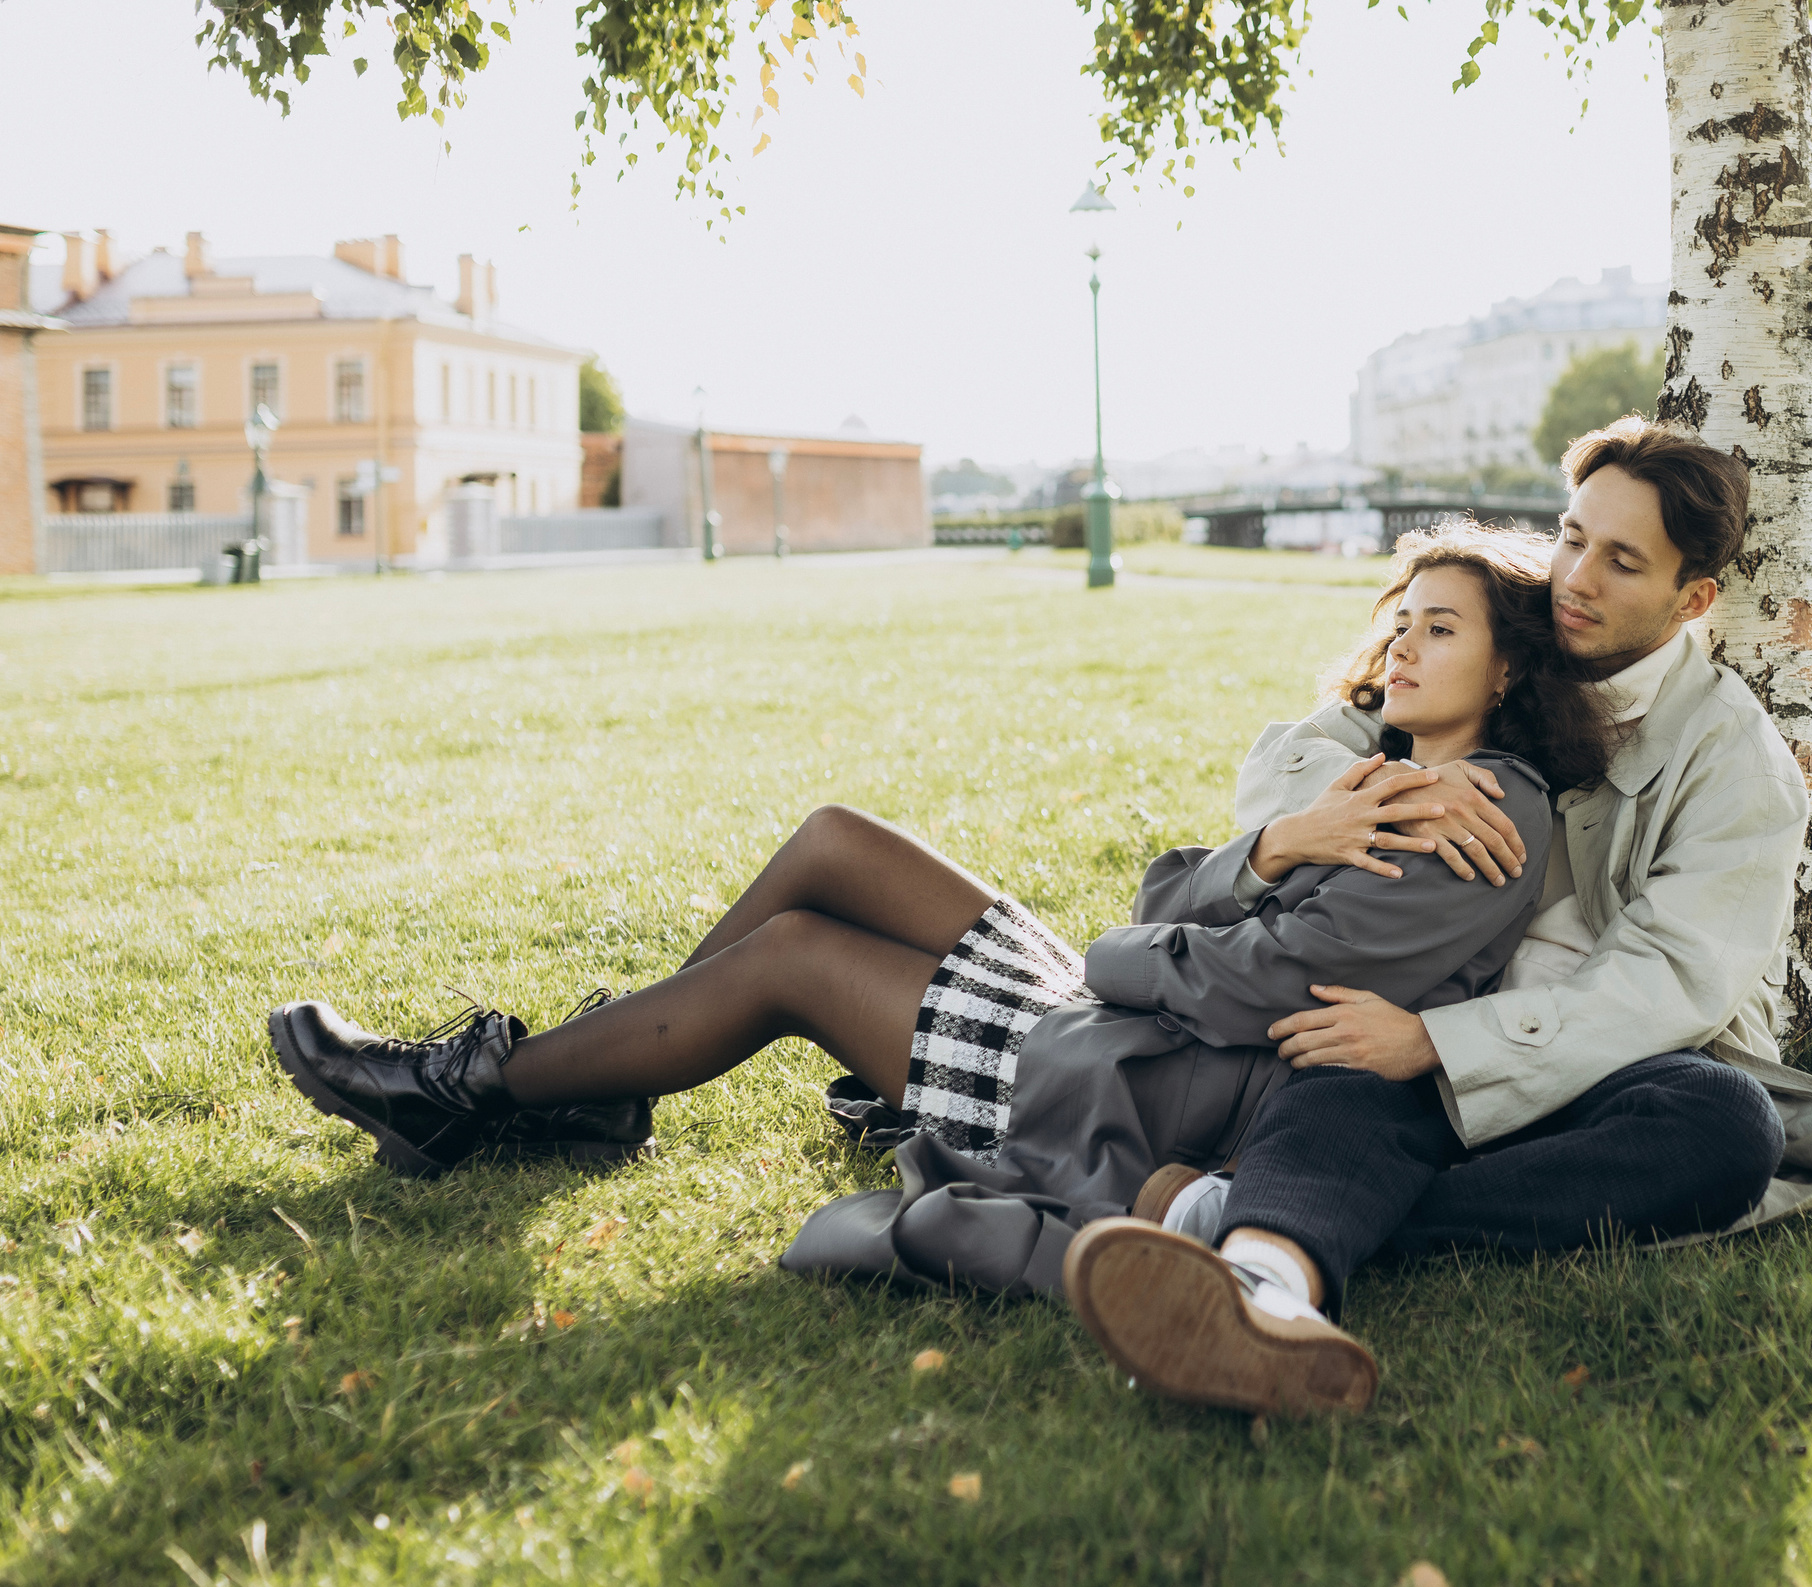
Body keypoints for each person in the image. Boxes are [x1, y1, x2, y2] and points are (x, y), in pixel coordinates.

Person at [266, 529, 1612, 1329]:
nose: (1407, 648)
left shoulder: (1474, 819)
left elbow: (1237, 982)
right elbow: (1176, 891)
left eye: (1445, 627)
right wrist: (1275, 842)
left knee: (791, 957)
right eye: (1402, 622)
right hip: (1114, 1026)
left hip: (1115, 1080)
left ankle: (476, 1090)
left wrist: (1135, 948)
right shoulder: (1372, 774)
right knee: (837, 838)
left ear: (1512, 667)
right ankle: (598, 1080)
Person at [1058, 416, 1812, 1420]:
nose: (1576, 577)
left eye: (1621, 561)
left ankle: (1237, 1213)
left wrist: (1437, 1044)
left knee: (1725, 1126)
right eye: (1571, 536)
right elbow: (1284, 760)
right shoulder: (1504, 630)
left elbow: (1663, 986)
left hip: (1588, 1065)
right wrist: (1385, 789)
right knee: (1343, 1061)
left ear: (1690, 599)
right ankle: (1268, 1288)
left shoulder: (1734, 764)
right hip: (1415, 1028)